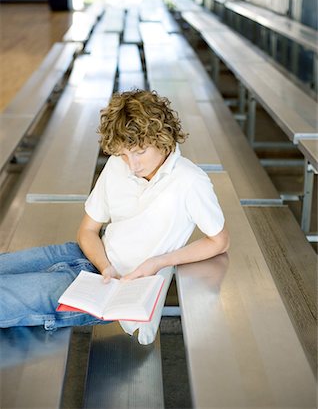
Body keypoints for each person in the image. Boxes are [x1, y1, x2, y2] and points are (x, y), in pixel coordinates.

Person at [0, 89, 229, 344]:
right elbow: (87, 231)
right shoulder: (117, 165)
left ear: (162, 137)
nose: (132, 165)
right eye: (123, 154)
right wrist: (104, 266)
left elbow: (219, 240)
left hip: (115, 292)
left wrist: (159, 262)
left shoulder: (190, 181)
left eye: (139, 152)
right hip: (88, 258)